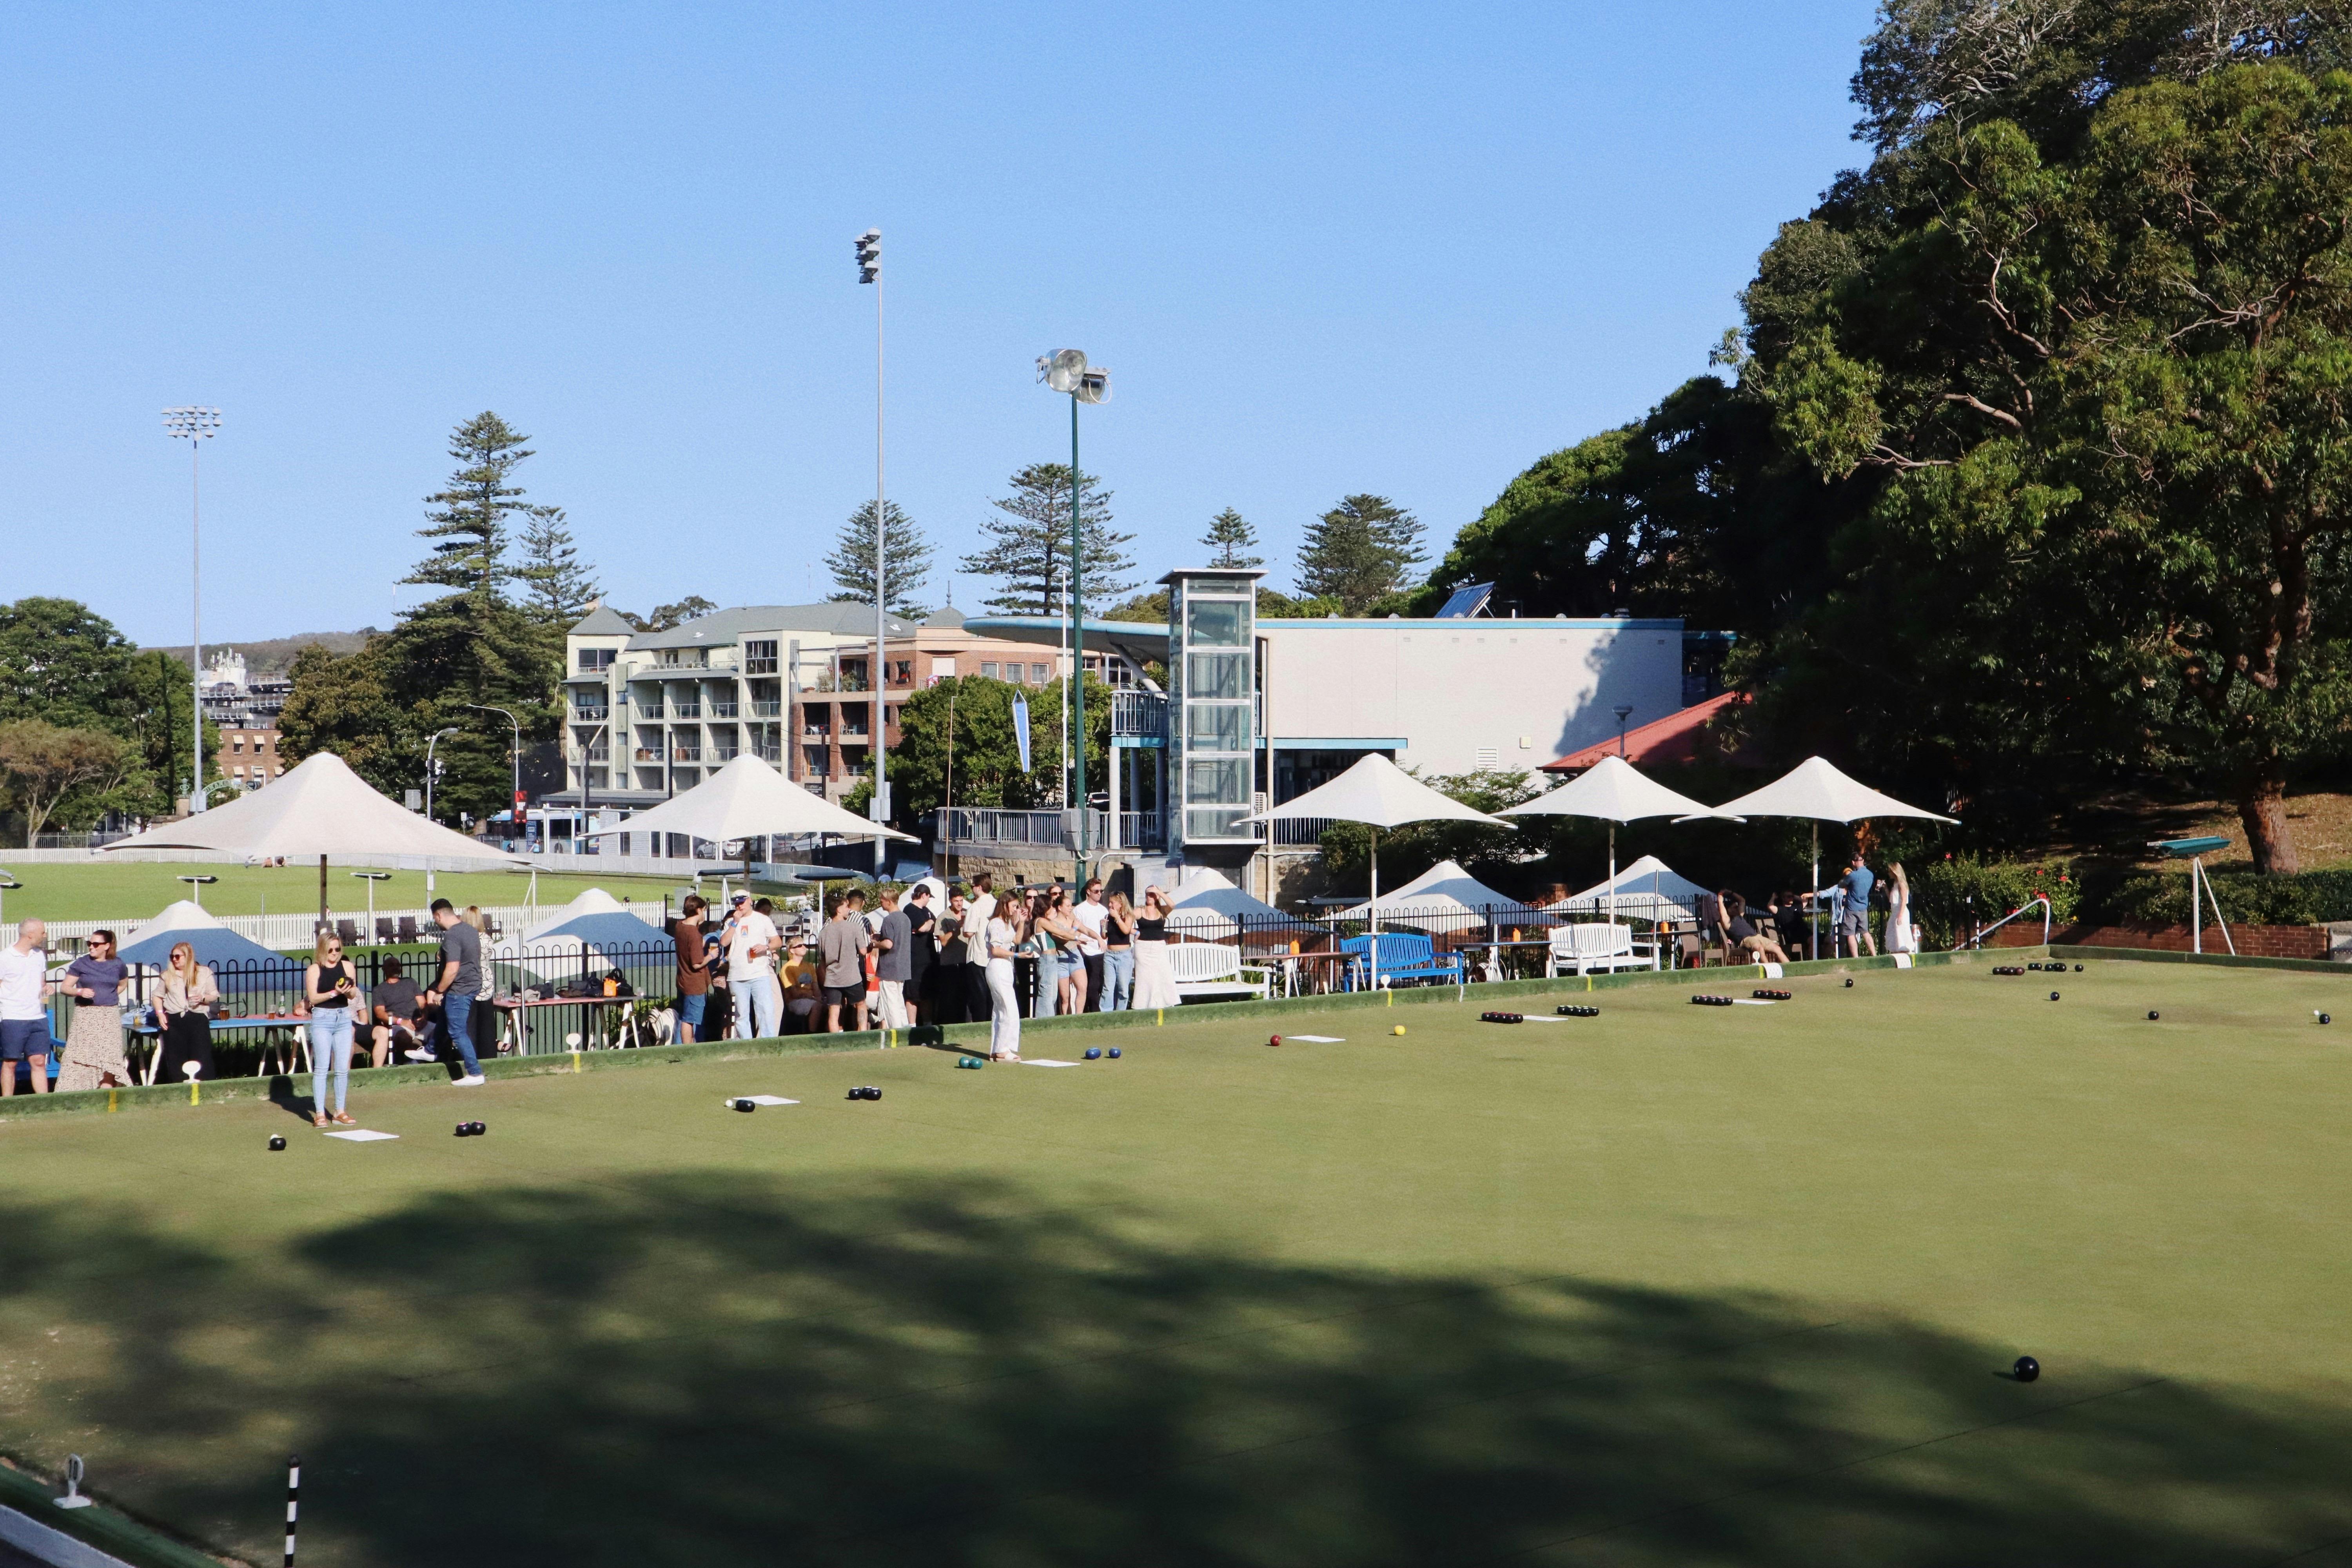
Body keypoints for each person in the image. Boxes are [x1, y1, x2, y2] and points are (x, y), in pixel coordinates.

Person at [57, 928, 131, 1092]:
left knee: (109, 1057)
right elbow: (65, 988)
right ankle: (79, 1092)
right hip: (86, 1016)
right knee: (83, 1058)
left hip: (109, 1016)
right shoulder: (81, 963)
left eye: (96, 944)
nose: (91, 947)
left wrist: (109, 996)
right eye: (89, 943)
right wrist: (80, 992)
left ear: (107, 946)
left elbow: (123, 984)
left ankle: (106, 1095)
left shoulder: (118, 964)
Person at [423, 899, 488, 1086]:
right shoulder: (470, 930)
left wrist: (438, 991)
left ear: (438, 915)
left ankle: (475, 1073)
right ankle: (430, 1050)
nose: (436, 923)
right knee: (444, 1016)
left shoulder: (451, 936)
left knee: (457, 1031)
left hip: (460, 988)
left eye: (435, 919)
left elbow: (452, 969)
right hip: (473, 984)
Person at [303, 931, 361, 1127]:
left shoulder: (347, 966)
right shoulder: (314, 970)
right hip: (322, 1018)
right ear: (322, 950)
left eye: (338, 949)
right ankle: (320, 1113)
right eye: (331, 950)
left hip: (344, 1017)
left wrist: (347, 990)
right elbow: (313, 998)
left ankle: (339, 1111)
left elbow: (353, 994)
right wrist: (334, 992)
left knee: (342, 1068)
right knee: (321, 1068)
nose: (335, 953)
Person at [152, 939, 220, 1086]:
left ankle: (205, 1088)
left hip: (197, 1019)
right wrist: (160, 1013)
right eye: (172, 957)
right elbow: (157, 996)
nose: (174, 960)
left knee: (202, 1058)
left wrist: (203, 998)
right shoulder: (167, 975)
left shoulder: (204, 973)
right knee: (176, 1059)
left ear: (188, 957)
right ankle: (179, 1089)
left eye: (178, 957)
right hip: (175, 1021)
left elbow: (214, 995)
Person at [0, 918, 56, 1096]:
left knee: (39, 1061)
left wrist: (47, 988)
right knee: (11, 1063)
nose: (45, 935)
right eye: (43, 932)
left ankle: (43, 1103)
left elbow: (41, 983)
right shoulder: (5, 958)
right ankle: (7, 1105)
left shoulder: (39, 955)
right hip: (13, 1017)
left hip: (38, 1017)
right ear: (30, 935)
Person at [726, 895, 782, 1038]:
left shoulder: (763, 919)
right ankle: (747, 1046)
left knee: (766, 1011)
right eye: (737, 904)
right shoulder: (731, 921)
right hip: (737, 975)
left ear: (750, 901)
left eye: (742, 903)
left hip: (759, 973)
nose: (740, 906)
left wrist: (766, 947)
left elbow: (778, 942)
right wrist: (735, 923)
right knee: (741, 1015)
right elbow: (724, 942)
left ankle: (768, 1043)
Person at [820, 890, 872, 1033]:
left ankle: (835, 1040)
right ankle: (862, 1034)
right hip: (851, 976)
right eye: (846, 907)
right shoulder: (854, 927)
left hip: (832, 978)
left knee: (834, 1010)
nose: (849, 909)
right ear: (839, 910)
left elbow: (822, 959)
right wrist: (872, 944)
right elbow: (863, 951)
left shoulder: (824, 932)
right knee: (861, 1004)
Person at [370, 956, 429, 1068]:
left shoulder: (410, 982)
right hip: (398, 1025)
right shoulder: (379, 990)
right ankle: (412, 1064)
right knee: (403, 1038)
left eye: (398, 965)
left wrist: (424, 1017)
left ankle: (441, 1062)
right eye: (392, 965)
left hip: (419, 1023)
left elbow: (423, 1003)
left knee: (441, 1032)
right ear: (384, 969)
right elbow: (380, 1013)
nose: (396, 968)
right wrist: (401, 1022)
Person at [985, 894, 1024, 1062]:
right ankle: (1002, 1050)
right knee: (1008, 1009)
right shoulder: (996, 923)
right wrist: (1017, 954)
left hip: (1006, 968)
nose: (1016, 909)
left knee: (1002, 1010)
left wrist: (1021, 922)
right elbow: (996, 950)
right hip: (997, 968)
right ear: (1005, 905)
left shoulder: (1007, 924)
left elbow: (1016, 939)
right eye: (1014, 906)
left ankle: (997, 1050)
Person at [1129, 887, 1180, 1011]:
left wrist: (1159, 892)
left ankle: (1164, 1004)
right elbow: (1126, 923)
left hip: (1159, 947)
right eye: (1147, 894)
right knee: (1144, 978)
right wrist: (1135, 932)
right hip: (1143, 947)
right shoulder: (1140, 911)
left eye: (1152, 895)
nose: (1149, 897)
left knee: (1163, 974)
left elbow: (1172, 905)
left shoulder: (1162, 911)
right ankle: (1141, 1006)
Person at [673, 894, 712, 1042]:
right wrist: (711, 956)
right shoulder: (694, 934)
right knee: (689, 1021)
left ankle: (679, 1049)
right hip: (694, 985)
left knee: (683, 1018)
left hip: (682, 981)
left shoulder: (680, 926)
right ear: (699, 910)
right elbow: (697, 964)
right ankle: (688, 1051)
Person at [873, 888, 912, 1031]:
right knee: (899, 1002)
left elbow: (888, 944)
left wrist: (875, 944)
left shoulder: (889, 920)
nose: (881, 903)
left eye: (882, 901)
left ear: (889, 902)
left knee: (890, 1004)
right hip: (902, 966)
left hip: (889, 967)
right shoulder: (906, 918)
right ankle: (905, 1031)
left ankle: (895, 1034)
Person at [929, 889, 969, 1024]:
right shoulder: (943, 917)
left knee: (966, 997)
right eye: (956, 901)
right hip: (950, 964)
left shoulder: (967, 914)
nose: (959, 904)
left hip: (966, 962)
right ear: (951, 900)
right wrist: (956, 929)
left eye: (961, 900)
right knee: (950, 999)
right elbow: (944, 942)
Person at [1073, 878, 1110, 1013]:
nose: (1099, 894)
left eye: (1101, 891)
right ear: (1088, 892)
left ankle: (1098, 1009)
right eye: (1096, 891)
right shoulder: (1080, 910)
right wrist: (1081, 949)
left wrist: (1104, 930)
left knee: (1101, 983)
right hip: (1087, 951)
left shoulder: (1103, 909)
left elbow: (1105, 934)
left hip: (1102, 951)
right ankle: (1093, 1011)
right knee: (1092, 985)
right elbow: (1076, 930)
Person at [1831, 851, 1878, 958]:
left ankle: (1856, 958)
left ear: (1853, 862)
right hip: (1864, 908)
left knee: (1850, 934)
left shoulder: (1853, 876)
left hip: (1851, 909)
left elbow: (1841, 885)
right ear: (1863, 861)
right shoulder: (1870, 874)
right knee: (1866, 932)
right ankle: (1875, 955)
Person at [1721, 893, 1789, 965]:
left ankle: (1791, 968)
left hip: (1757, 936)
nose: (1737, 908)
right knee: (1759, 948)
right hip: (1746, 939)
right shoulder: (1727, 922)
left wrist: (1730, 892)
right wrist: (1720, 895)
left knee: (1777, 948)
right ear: (1728, 910)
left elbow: (1742, 900)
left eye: (1737, 907)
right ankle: (1769, 969)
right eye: (1735, 907)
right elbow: (1721, 907)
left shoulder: (1740, 916)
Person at [901, 884, 936, 1024]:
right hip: (914, 959)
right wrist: (928, 924)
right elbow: (923, 928)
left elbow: (934, 925)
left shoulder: (927, 911)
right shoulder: (910, 909)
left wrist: (929, 923)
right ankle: (912, 1025)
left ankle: (927, 1025)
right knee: (912, 995)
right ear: (924, 895)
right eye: (929, 897)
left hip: (928, 960)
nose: (929, 901)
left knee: (927, 994)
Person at [960, 883, 995, 1024]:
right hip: (993, 955)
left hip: (978, 956)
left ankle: (980, 1025)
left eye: (972, 886)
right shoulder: (997, 903)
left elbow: (968, 932)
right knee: (992, 994)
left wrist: (963, 924)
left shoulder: (976, 906)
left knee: (979, 996)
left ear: (979, 887)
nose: (972, 889)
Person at [1100, 892, 1137, 1011]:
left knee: (1123, 988)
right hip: (1110, 955)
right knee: (1108, 987)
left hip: (1124, 955)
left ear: (1121, 903)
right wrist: (1103, 928)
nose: (1110, 905)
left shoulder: (1128, 916)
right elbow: (1105, 936)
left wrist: (1117, 918)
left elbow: (1126, 931)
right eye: (1109, 902)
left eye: (1112, 902)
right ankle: (1106, 1013)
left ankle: (1121, 1012)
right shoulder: (1108, 917)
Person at [780, 938, 822, 1031]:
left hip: (811, 998)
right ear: (792, 950)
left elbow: (816, 986)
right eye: (800, 946)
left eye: (804, 945)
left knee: (831, 1006)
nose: (804, 947)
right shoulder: (787, 969)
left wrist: (819, 997)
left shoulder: (809, 966)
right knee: (817, 1006)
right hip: (794, 1001)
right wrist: (813, 997)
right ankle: (812, 1036)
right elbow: (794, 993)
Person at [1885, 862, 1917, 954]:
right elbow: (1892, 900)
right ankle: (1896, 951)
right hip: (1895, 911)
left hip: (1901, 912)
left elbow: (1904, 900)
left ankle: (1904, 950)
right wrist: (1886, 889)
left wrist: (1900, 915)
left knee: (1901, 932)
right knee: (1893, 932)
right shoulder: (1895, 884)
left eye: (1890, 871)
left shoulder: (1901, 884)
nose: (1889, 874)